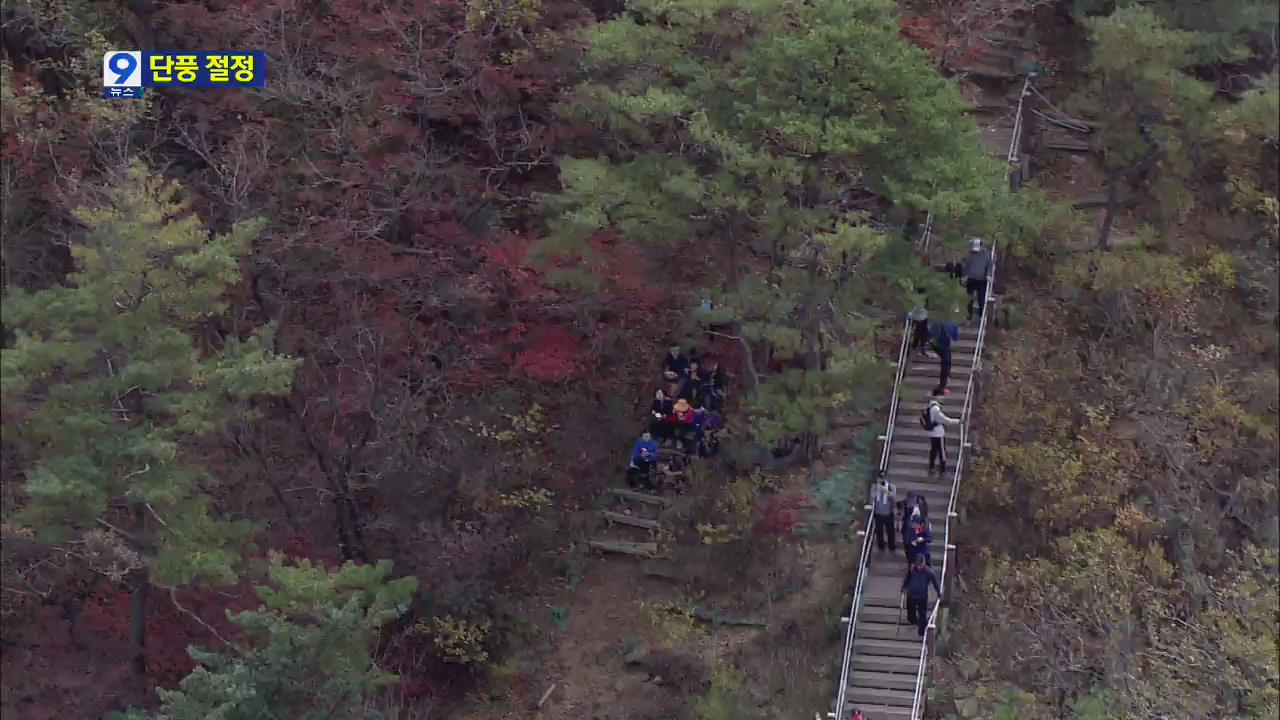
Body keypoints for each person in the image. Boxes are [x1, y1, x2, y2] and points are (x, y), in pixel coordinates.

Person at [901, 554, 942, 637]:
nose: (919, 567)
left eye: (920, 566)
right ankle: (914, 621)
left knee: (922, 613)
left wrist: (939, 592)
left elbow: (935, 583)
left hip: (922, 596)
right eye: (917, 565)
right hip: (911, 594)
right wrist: (904, 587)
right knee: (911, 613)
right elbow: (907, 579)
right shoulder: (912, 569)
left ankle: (922, 631)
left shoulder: (929, 572)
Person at [924, 397, 960, 476]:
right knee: (942, 451)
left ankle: (931, 467)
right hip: (939, 434)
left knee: (933, 450)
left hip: (932, 433)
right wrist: (958, 421)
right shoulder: (936, 409)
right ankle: (942, 470)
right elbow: (946, 420)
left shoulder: (929, 407)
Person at [964, 237, 992, 324]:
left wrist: (988, 274)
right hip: (971, 279)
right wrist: (964, 275)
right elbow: (966, 265)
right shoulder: (970, 254)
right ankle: (968, 316)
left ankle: (982, 317)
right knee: (969, 298)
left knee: (981, 299)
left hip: (981, 280)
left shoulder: (986, 254)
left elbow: (989, 265)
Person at [929, 320, 959, 395]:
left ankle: (944, 382)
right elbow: (954, 336)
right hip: (942, 344)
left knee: (946, 362)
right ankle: (942, 386)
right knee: (946, 363)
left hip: (938, 342)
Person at [869, 477, 897, 556]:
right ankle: (881, 546)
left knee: (890, 531)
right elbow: (872, 497)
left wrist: (886, 491)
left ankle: (891, 546)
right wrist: (877, 489)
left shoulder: (891, 487)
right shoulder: (875, 487)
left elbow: (893, 497)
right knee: (879, 531)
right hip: (878, 514)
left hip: (888, 514)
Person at [909, 294, 932, 359]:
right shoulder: (921, 307)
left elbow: (913, 314)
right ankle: (920, 349)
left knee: (919, 336)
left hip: (921, 322)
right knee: (920, 336)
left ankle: (918, 349)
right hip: (922, 322)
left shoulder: (919, 307)